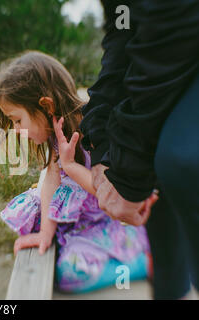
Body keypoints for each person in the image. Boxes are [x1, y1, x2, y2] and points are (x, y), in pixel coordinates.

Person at [0, 50, 154, 293]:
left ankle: (143, 262)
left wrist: (70, 166)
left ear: (46, 106)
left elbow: (110, 192)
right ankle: (65, 238)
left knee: (69, 273)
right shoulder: (54, 136)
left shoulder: (92, 130)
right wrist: (45, 235)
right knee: (33, 211)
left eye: (17, 120)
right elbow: (51, 177)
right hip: (83, 216)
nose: (16, 129)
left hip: (108, 218)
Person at [80, 0, 199, 299]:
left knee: (182, 158)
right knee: (155, 159)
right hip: (175, 38)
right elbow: (123, 34)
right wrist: (102, 146)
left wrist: (127, 174)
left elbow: (165, 44)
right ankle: (171, 290)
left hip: (182, 34)